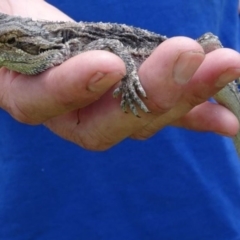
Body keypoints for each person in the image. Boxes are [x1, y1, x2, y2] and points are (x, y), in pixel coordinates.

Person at [0, 0, 240, 239]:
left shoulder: (73, 43)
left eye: (9, 42)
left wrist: (128, 80)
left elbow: (111, 43)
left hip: (210, 193)